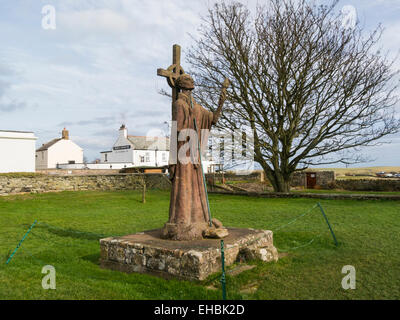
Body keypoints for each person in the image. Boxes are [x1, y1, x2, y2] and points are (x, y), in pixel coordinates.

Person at [162, 74, 224, 240]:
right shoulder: (179, 104)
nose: (192, 88)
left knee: (195, 184)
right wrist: (191, 124)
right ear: (185, 87)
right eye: (190, 85)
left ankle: (198, 219)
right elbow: (179, 128)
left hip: (193, 150)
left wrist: (218, 108)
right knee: (184, 183)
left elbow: (209, 118)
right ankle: (182, 220)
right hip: (184, 150)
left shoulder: (194, 104)